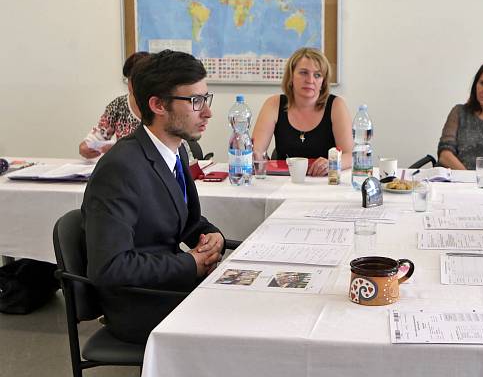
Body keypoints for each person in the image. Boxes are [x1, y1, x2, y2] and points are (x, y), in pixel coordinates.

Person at [82, 50, 224, 344]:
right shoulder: (121, 168)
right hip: (141, 305)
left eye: (206, 99)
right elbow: (109, 267)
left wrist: (211, 235)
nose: (207, 112)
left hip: (168, 286)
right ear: (158, 105)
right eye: (195, 101)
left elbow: (182, 216)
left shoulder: (174, 150)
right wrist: (190, 264)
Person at [252, 47, 353, 176]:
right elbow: (256, 153)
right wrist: (255, 157)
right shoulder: (273, 103)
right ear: (291, 76)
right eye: (304, 73)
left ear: (323, 82)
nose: (310, 80)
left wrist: (332, 163)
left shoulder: (336, 105)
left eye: (317, 75)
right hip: (284, 181)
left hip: (324, 182)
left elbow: (350, 155)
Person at [78, 51, 149, 159]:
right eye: (130, 79)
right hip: (124, 169)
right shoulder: (119, 105)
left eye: (139, 79)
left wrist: (119, 149)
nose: (133, 85)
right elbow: (97, 136)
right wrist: (85, 147)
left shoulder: (164, 106)